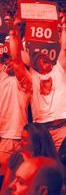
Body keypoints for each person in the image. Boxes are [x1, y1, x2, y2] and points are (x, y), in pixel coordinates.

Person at [27, 19, 66, 150]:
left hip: (63, 129)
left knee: (65, 165)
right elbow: (19, 57)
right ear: (34, 65)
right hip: (42, 132)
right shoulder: (32, 76)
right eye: (40, 58)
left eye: (46, 57)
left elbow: (64, 48)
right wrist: (17, 29)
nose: (44, 58)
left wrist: (63, 26)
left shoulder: (58, 70)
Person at [0, 25, 32, 177]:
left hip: (15, 136)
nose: (9, 62)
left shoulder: (26, 79)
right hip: (3, 135)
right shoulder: (2, 75)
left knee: (16, 178)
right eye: (5, 58)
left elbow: (19, 61)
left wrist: (14, 36)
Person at [1, 123, 62, 194]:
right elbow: (5, 188)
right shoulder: (17, 156)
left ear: (37, 142)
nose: (20, 143)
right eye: (21, 138)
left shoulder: (49, 166)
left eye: (25, 139)